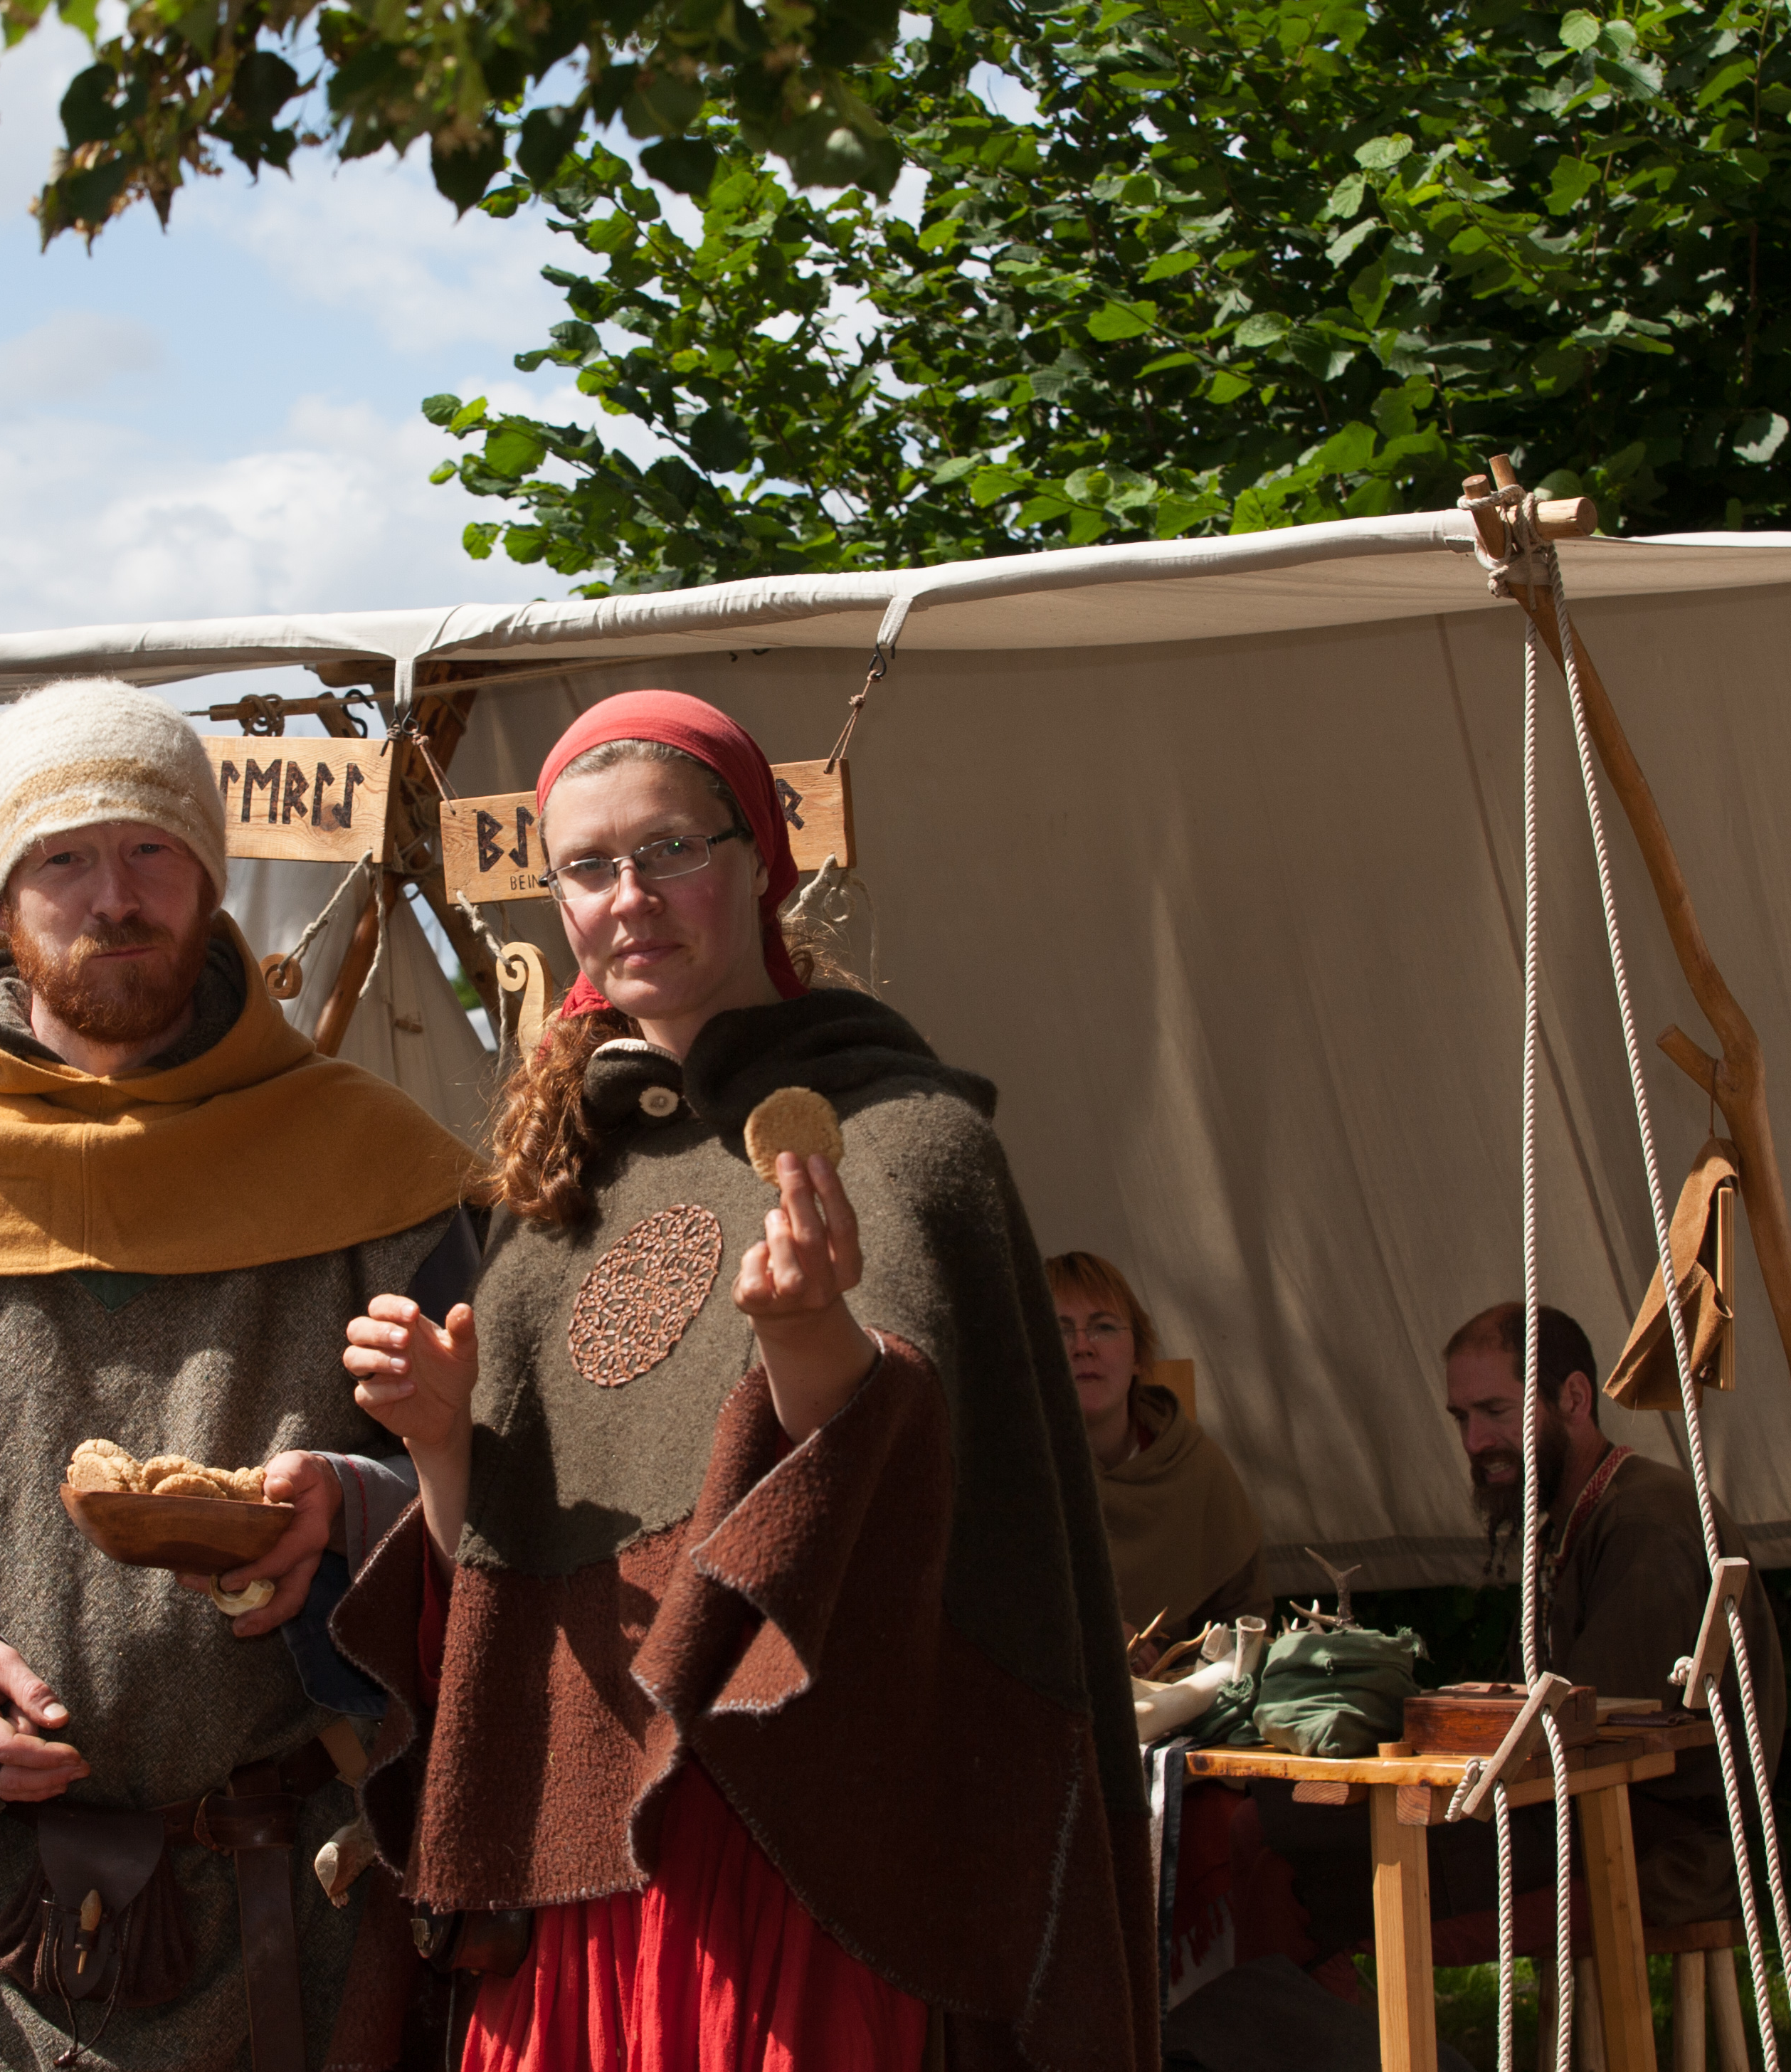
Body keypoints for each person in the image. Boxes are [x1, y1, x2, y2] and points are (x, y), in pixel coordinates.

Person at [327, 689, 1157, 2072]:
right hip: (581, 1880)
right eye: (588, 866)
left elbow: (915, 1528)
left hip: (797, 1878)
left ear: (758, 857)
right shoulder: (556, 1187)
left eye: (670, 850)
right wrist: (437, 1440)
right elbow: (502, 1581)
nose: (630, 896)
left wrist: (806, 1339)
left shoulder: (908, 1143)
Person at [0, 679, 477, 2072]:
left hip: (296, 1910)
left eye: (150, 850)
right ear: (2, 896)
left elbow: (501, 1480)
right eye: (62, 856)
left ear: (209, 876)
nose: (112, 896)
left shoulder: (372, 1165)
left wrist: (352, 1512)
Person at [1442, 1299, 1784, 1928]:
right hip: (1595, 1826)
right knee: (1297, 1845)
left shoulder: (1642, 1522)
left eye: (1495, 1411)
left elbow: (1596, 1734)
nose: (1475, 1442)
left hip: (1655, 1855)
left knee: (1332, 1868)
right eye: (1462, 1417)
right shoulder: (1583, 1517)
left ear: (1574, 1398)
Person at [1045, 1250, 1267, 1666]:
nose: (1082, 1347)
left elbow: (1246, 1624)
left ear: (1139, 1356)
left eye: (1103, 1327)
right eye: (1058, 1330)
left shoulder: (1194, 1466)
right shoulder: (1004, 1477)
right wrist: (1081, 1631)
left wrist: (1186, 1679)